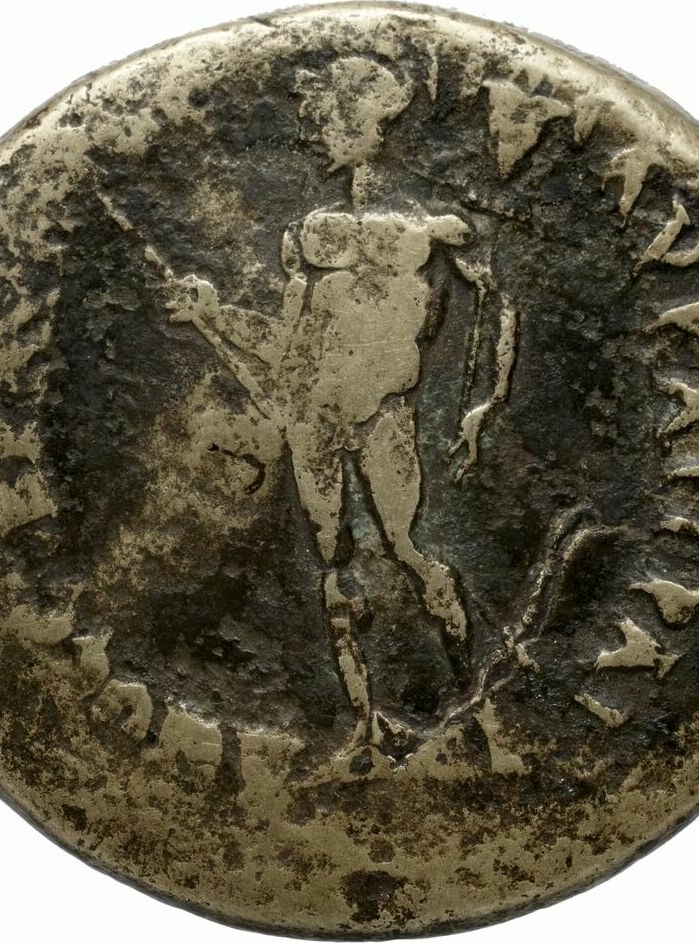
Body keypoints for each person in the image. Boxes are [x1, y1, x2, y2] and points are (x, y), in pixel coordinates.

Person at [163, 56, 518, 749]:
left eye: (323, 121)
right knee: (334, 564)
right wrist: (213, 315)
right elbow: (290, 352)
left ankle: (476, 705)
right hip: (316, 422)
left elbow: (497, 304)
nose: (313, 136)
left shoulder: (437, 227)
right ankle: (365, 730)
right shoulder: (307, 238)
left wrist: (486, 402)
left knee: (407, 548)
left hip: (383, 413)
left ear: (361, 119)